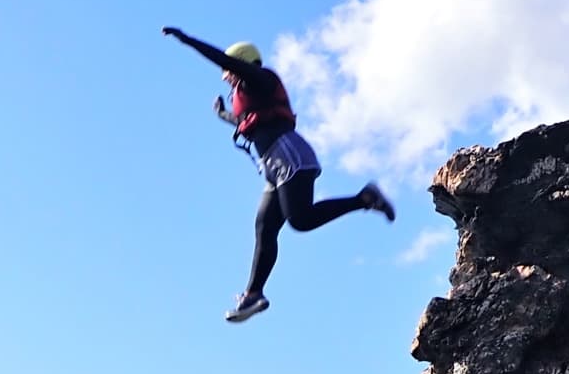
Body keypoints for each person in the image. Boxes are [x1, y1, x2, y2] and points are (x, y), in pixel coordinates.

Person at [161, 27, 394, 323]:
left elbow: (225, 61)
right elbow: (244, 121)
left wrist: (187, 40)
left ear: (241, 64)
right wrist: (222, 114)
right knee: (264, 226)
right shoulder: (250, 95)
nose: (227, 79)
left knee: (300, 219)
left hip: (290, 156)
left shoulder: (261, 78)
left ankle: (364, 198)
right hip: (274, 165)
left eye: (228, 73)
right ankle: (253, 294)